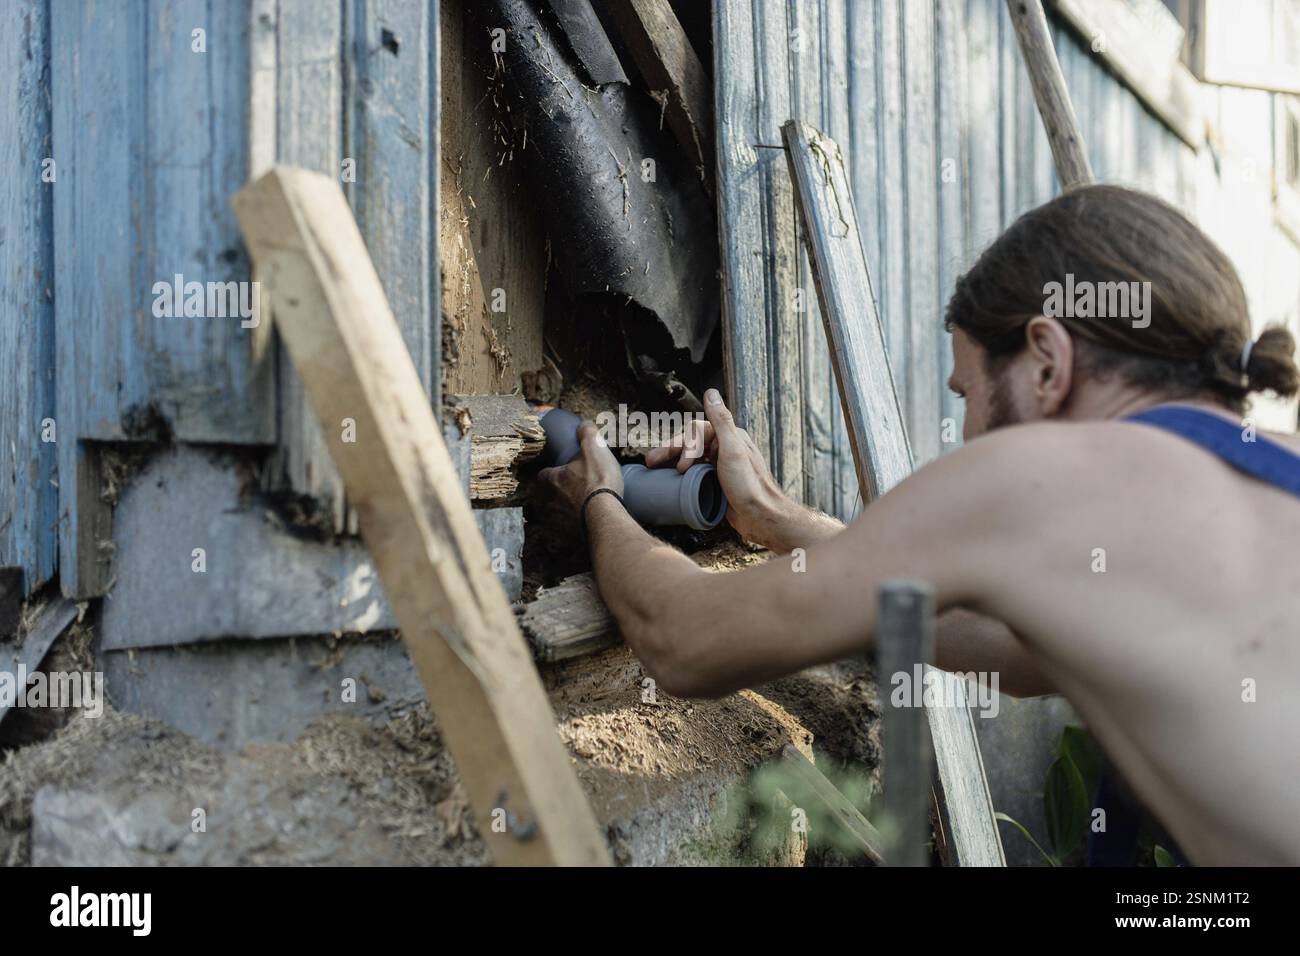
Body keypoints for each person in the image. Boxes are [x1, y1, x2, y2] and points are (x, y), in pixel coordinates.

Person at [539, 184, 1300, 866]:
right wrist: (773, 519)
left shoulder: (1049, 476)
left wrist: (598, 498)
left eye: (965, 392)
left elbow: (686, 640)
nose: (968, 433)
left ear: (1045, 361)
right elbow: (1004, 642)